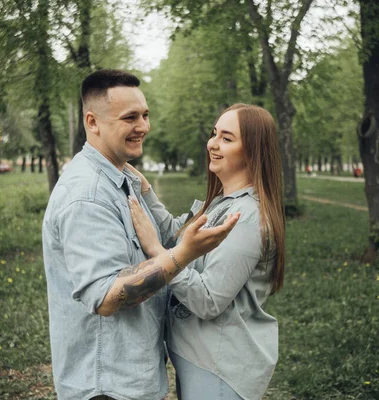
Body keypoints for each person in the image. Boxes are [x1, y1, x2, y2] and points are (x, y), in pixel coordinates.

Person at [41, 69, 240, 400]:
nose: (144, 127)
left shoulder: (121, 179)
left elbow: (164, 236)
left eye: (145, 115)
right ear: (93, 122)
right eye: (130, 117)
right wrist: (181, 257)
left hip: (134, 379)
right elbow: (105, 298)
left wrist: (148, 195)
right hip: (107, 389)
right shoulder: (87, 196)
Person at [127, 103, 286, 400]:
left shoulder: (246, 218)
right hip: (201, 358)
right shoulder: (222, 202)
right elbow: (178, 234)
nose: (213, 143)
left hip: (220, 367)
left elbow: (208, 301)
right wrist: (146, 191)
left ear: (253, 150)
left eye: (227, 138)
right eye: (215, 134)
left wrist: (158, 253)